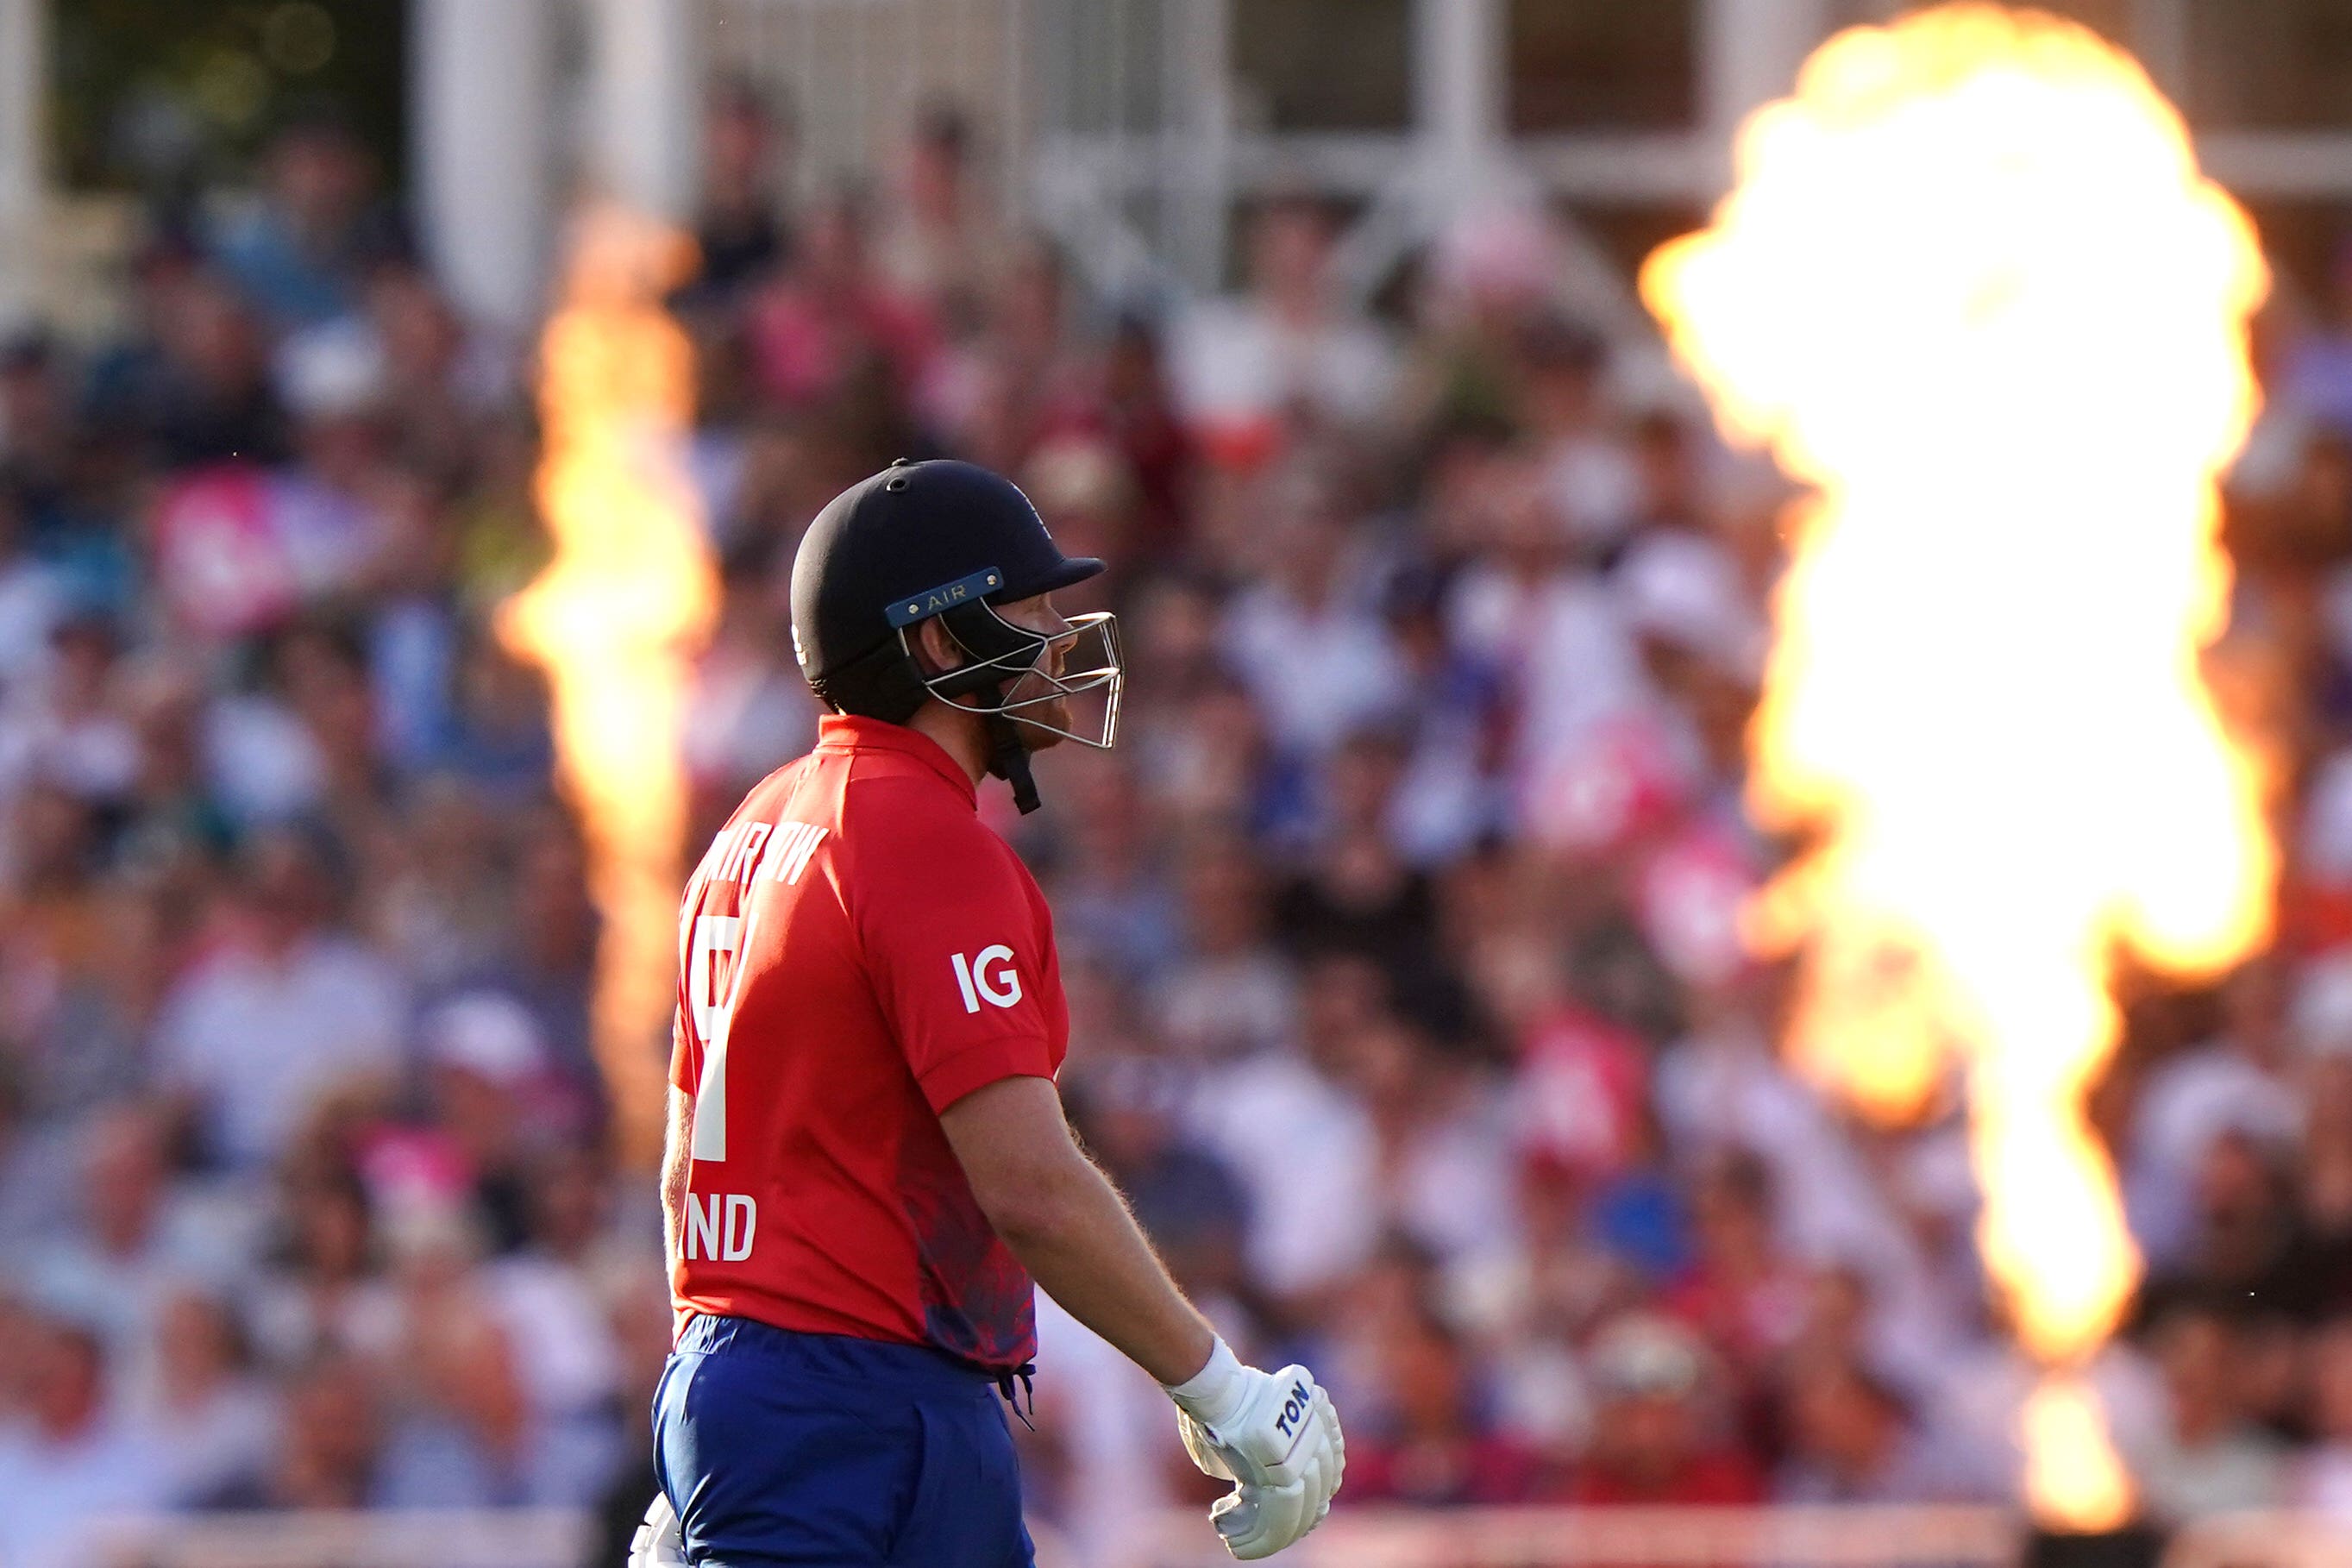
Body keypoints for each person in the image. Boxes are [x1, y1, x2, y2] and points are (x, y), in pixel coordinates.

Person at [631, 460, 1345, 1566]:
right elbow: (1028, 1184)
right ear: (936, 643)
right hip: (859, 1398)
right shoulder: (916, 837)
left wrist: (708, 1411)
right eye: (1030, 609)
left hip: (774, 1386)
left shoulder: (753, 826)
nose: (1060, 638)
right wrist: (1220, 1387)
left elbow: (687, 1177)